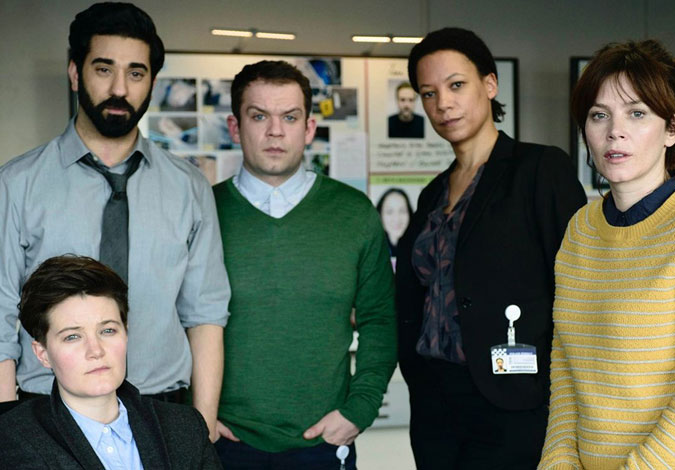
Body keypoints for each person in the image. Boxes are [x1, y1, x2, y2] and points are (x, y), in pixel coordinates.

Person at [0, 2, 230, 441]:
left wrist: (199, 431)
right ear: (75, 73)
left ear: (153, 83)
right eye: (104, 69)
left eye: (136, 73)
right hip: (48, 408)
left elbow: (205, 315)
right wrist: (8, 430)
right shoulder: (16, 183)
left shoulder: (189, 188)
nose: (120, 88)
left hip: (164, 409)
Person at [395, 27, 587, 469]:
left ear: (490, 84)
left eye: (456, 85)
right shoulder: (432, 193)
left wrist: (559, 398)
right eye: (429, 93)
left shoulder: (539, 169)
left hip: (512, 400)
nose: (443, 104)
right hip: (434, 400)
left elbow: (579, 289)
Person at [539, 40, 675, 470]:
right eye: (599, 115)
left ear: (672, 128)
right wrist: (557, 463)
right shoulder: (581, 230)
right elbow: (566, 372)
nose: (614, 131)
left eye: (636, 113)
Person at [213, 60, 397, 469]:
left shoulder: (354, 213)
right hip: (223, 441)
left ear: (309, 128)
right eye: (259, 116)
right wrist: (196, 411)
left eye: (290, 117)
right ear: (235, 127)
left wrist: (359, 409)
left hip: (324, 441)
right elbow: (174, 319)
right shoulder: (203, 211)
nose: (275, 131)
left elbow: (380, 319)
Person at [0, 255, 222, 468]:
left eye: (107, 331)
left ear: (126, 333)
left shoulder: (185, 427)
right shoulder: (12, 439)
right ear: (43, 354)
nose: (96, 351)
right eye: (73, 337)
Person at [375, 187, 414, 257]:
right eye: (389, 212)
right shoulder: (373, 250)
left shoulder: (420, 249)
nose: (396, 218)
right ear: (380, 215)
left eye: (402, 211)